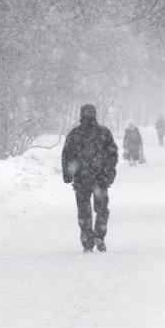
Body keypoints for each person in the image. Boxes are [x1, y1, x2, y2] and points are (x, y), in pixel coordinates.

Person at [61, 104, 118, 253]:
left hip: (81, 180)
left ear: (81, 115)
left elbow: (67, 156)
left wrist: (69, 174)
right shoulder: (103, 133)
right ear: (95, 115)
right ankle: (99, 235)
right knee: (101, 210)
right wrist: (109, 173)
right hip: (100, 179)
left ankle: (87, 239)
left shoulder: (74, 134)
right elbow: (112, 155)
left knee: (84, 211)